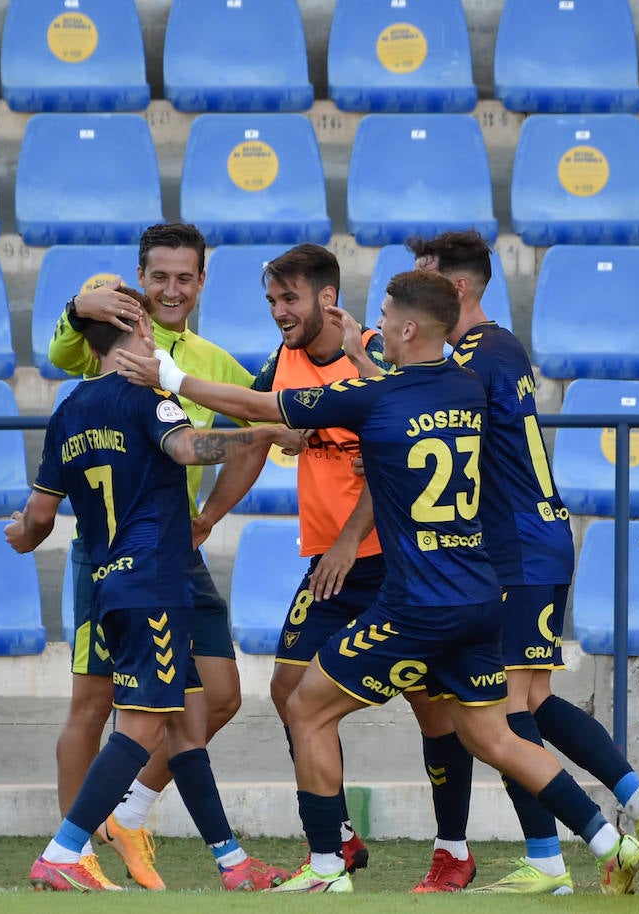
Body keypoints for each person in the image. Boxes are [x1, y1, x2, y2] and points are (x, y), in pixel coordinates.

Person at [116, 270, 639, 894]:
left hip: (418, 606)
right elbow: (400, 398)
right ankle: (614, 844)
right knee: (491, 734)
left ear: (408, 327)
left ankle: (324, 868)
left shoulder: (373, 396)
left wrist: (168, 378)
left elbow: (264, 407)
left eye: (387, 316)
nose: (379, 324)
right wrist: (364, 359)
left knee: (307, 707)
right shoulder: (465, 386)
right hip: (479, 598)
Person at [410, 231, 639, 895]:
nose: (409, 300)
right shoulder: (498, 346)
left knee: (500, 712)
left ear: (459, 290)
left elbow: (429, 409)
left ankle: (548, 860)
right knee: (531, 698)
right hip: (538, 536)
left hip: (515, 546)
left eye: (422, 283)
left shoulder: (476, 355)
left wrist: (369, 357)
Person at [8, 293, 292, 892]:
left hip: (109, 583)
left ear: (87, 346)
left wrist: (19, 535)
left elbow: (36, 518)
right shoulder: (150, 398)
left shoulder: (69, 408)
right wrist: (265, 431)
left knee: (186, 726)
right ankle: (63, 851)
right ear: (138, 327)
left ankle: (233, 864)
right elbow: (189, 449)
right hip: (156, 582)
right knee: (139, 727)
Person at [45, 223, 261, 889]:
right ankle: (73, 849)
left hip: (176, 551)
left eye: (184, 277)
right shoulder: (110, 327)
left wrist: (210, 517)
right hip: (109, 551)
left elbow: (251, 432)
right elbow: (59, 350)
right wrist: (82, 307)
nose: (171, 289)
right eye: (159, 276)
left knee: (214, 699)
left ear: (200, 283)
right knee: (95, 705)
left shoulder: (214, 361)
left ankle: (131, 813)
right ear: (141, 280)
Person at [189, 243, 387, 875]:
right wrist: (208, 517)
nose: (278, 311)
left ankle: (453, 848)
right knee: (288, 690)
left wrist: (351, 540)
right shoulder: (285, 359)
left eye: (288, 298)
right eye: (272, 300)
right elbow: (252, 440)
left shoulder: (375, 355)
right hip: (329, 563)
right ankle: (337, 842)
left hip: (389, 561)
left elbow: (402, 457)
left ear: (327, 298)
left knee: (441, 713)